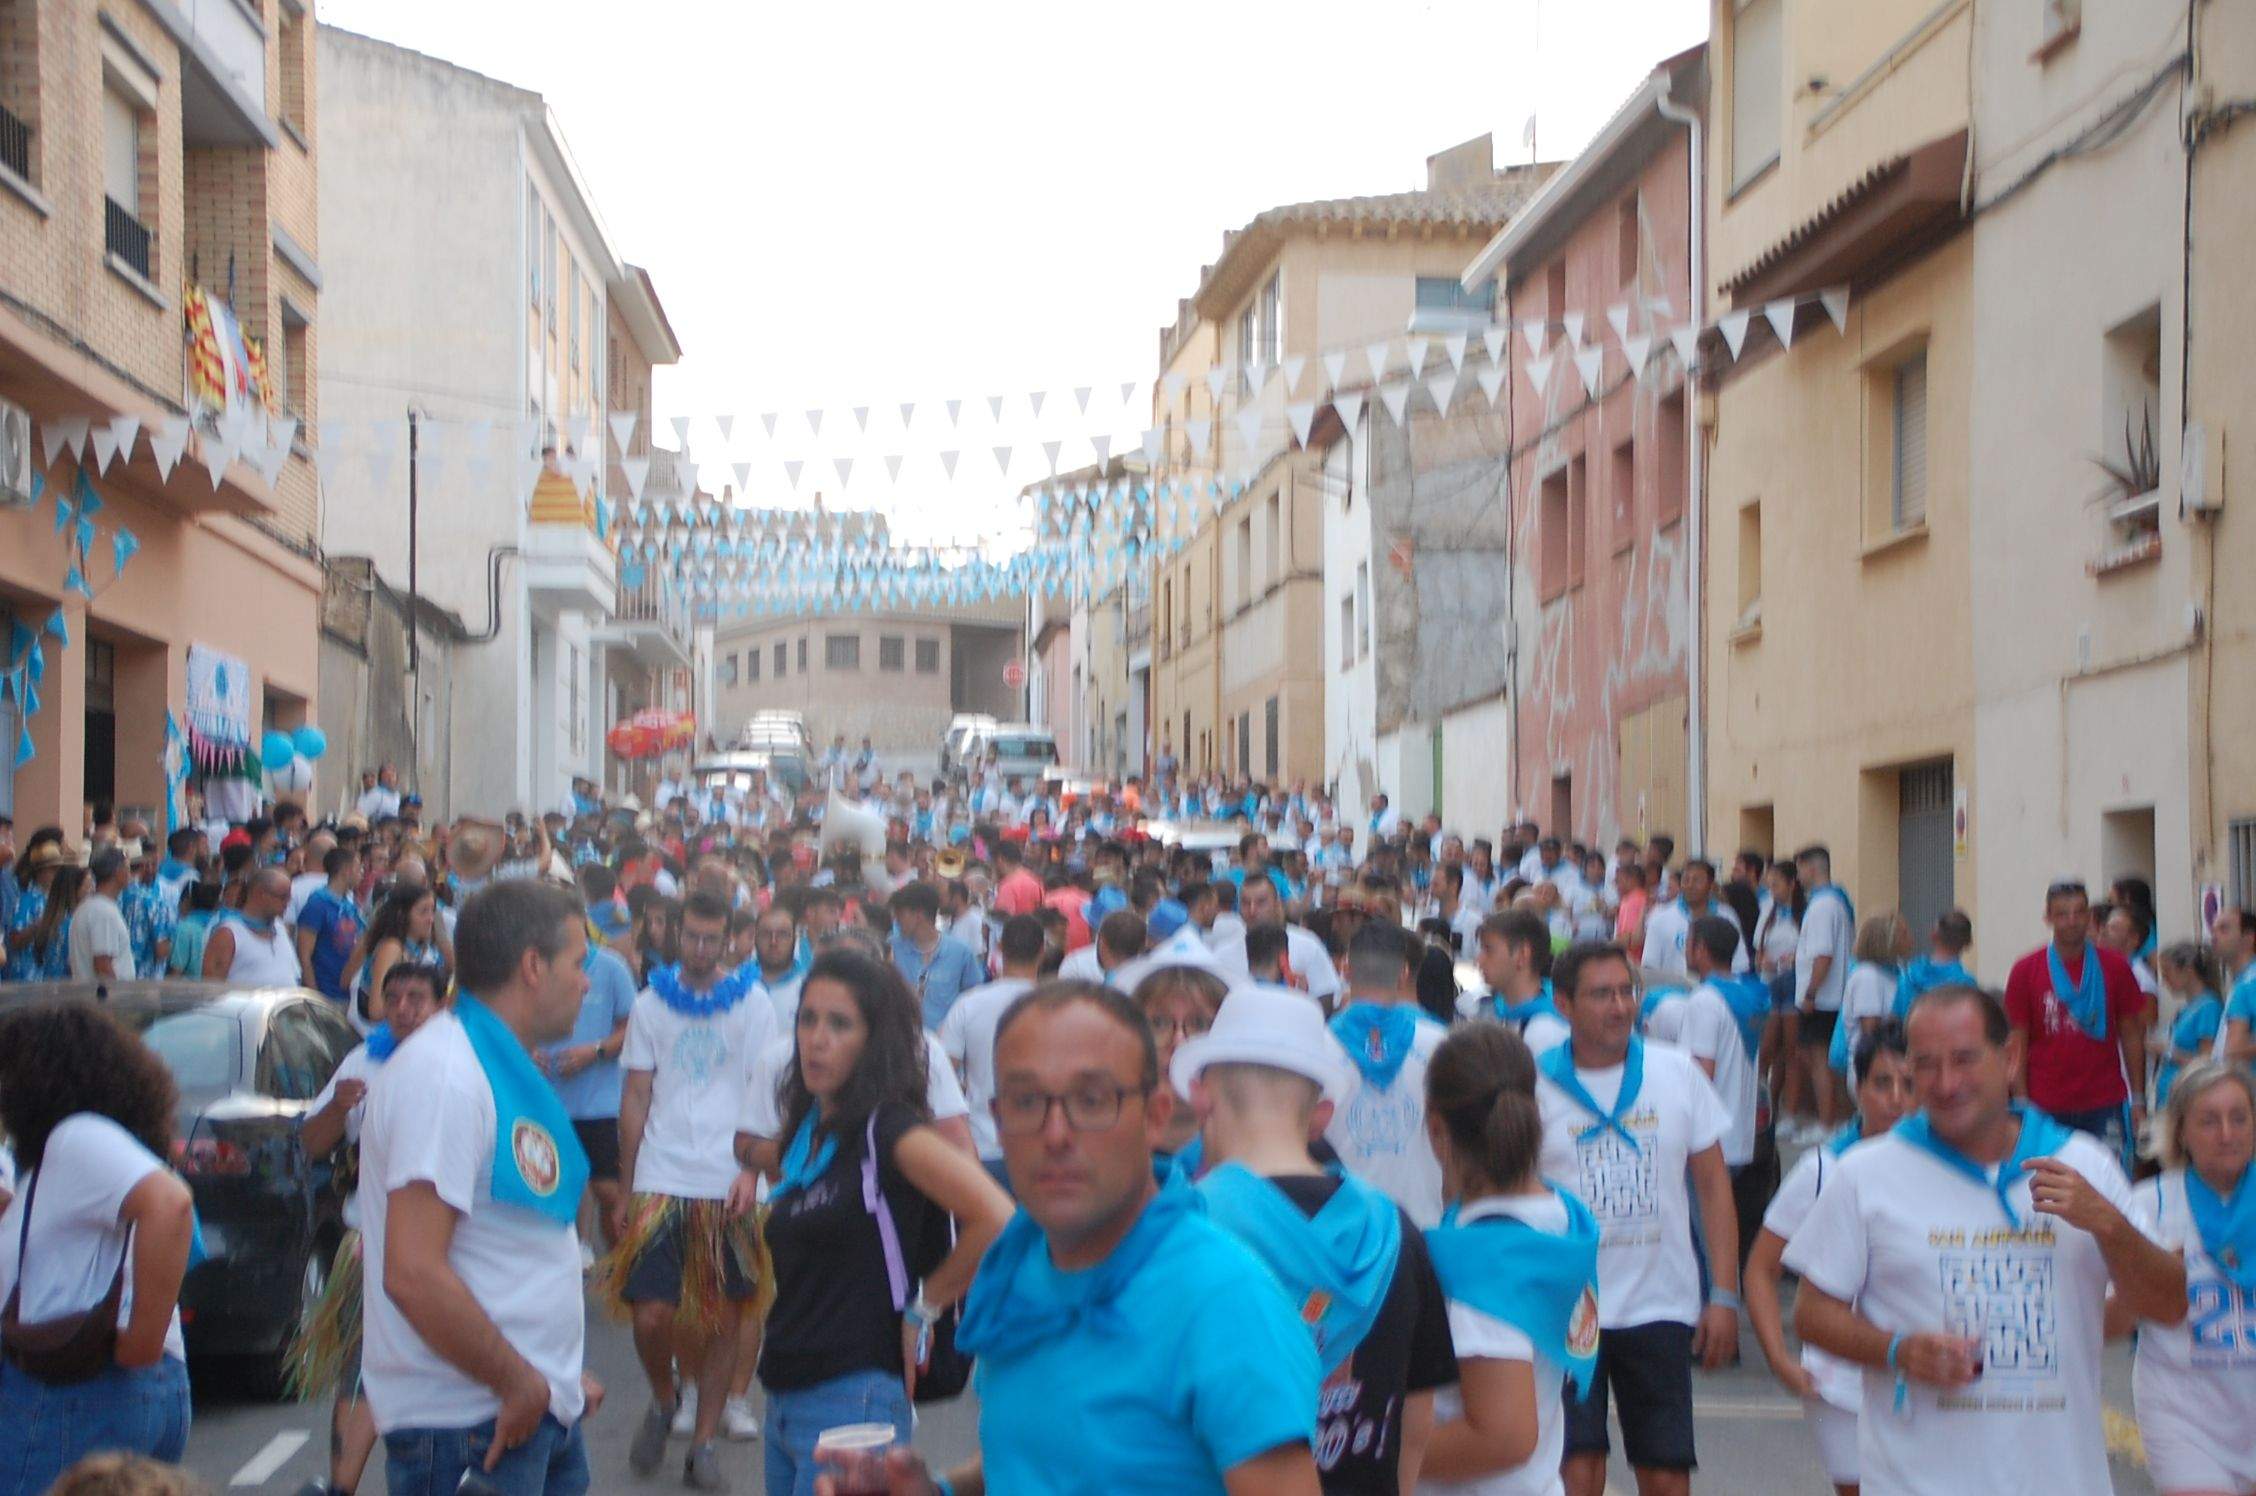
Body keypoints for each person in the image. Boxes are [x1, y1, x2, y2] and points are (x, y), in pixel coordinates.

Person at [823, 981, 1323, 1496]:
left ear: (1154, 1115)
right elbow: (1034, 1457)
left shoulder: (1226, 1302)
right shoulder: (1017, 1270)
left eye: (1092, 1099)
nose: (1056, 1132)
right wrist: (934, 1491)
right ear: (997, 1121)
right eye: (1026, 1100)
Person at [1786, 985, 2184, 1496]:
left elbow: (2170, 1304)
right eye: (1927, 1064)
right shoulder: (1866, 1173)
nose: (1947, 1083)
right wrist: (1898, 1350)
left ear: (2011, 1056)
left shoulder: (2084, 1164)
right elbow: (1811, 1314)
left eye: (1965, 1059)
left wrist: (2110, 1227)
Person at [357, 880, 600, 1496]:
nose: (587, 982)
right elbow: (412, 1272)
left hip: (526, 1411)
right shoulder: (445, 1075)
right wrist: (519, 1380)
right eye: (579, 963)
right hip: (469, 1424)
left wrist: (556, 1374)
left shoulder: (490, 1063)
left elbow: (505, 1247)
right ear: (533, 967)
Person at [1176, 986, 1456, 1495]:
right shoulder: (1396, 1232)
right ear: (1321, 1114)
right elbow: (1415, 1422)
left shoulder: (1179, 1234)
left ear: (1200, 1095)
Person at [754, 951, 1010, 1496]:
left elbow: (995, 1215)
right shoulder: (813, 1131)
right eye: (808, 1018)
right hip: (784, 1393)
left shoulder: (890, 1129)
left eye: (840, 1023)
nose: (817, 1038)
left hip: (854, 1396)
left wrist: (926, 1304)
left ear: (875, 1040)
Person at [1536, 941, 1739, 1496]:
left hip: (1660, 1304)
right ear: (1563, 1004)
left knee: (1666, 1473)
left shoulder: (1675, 1072)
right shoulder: (1532, 1086)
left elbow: (1714, 1187)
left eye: (1627, 991)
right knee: (1577, 1469)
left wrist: (1723, 1294)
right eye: (1601, 994)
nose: (1620, 1006)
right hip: (1569, 1308)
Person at [600, 891, 776, 1484]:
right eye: (692, 937)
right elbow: (635, 1095)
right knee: (652, 1314)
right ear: (675, 936)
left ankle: (703, 1445)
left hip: (727, 1180)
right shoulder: (651, 1004)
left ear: (729, 939)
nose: (701, 949)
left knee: (724, 1318)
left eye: (712, 938)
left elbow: (765, 1090)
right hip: (662, 1174)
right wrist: (626, 1190)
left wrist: (752, 1171)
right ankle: (662, 1397)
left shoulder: (752, 1004)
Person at [0, 1002, 196, 1494]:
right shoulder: (72, 1149)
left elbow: (170, 1205)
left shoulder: (77, 1136)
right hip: (91, 1390)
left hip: (76, 1391)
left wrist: (141, 1341)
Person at [1418, 1021, 1605, 1496]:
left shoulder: (1482, 1264)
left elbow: (1502, 1438)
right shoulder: (1561, 1220)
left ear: (1436, 1128)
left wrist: (1368, 1454)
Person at [290, 962, 451, 1496]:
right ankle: (342, 1487)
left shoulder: (461, 1065)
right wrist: (337, 1107)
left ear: (441, 1003)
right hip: (372, 1243)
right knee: (361, 1368)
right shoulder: (363, 1060)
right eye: (395, 998)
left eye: (417, 998)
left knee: (446, 1370)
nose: (404, 1008)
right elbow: (312, 1142)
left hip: (445, 1249)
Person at [1745, 1020, 1914, 1496]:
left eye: (1910, 1085)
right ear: (1858, 1089)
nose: (1897, 1099)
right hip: (1838, 1382)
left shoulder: (1941, 1170)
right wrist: (1779, 1359)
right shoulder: (1823, 1169)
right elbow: (1761, 1267)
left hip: (1918, 1374)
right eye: (1882, 1083)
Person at [2127, 1063, 2256, 1496]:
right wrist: (2150, 1276)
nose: (2226, 1133)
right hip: (2184, 1416)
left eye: (2239, 1118)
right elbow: (2107, 1322)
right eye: (2209, 1120)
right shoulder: (2149, 1205)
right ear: (2180, 1131)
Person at [2002, 880, 2148, 1158]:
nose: (2072, 921)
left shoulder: (2115, 967)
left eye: (2079, 912)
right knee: (2046, 1189)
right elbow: (2017, 1041)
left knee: (2107, 1186)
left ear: (2090, 916)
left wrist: (2137, 1099)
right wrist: (2021, 1103)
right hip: (2045, 1104)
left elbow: (2131, 1034)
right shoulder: (2026, 970)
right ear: (2048, 918)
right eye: (2062, 913)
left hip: (2104, 1101)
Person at [1327, 922, 1449, 1228]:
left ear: (1345, 969)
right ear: (1405, 973)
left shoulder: (1315, 1044)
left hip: (1344, 1226)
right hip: (1422, 1224)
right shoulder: (1441, 1044)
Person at [1677, 916, 1773, 1269]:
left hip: (1709, 1139)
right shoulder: (1751, 996)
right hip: (1739, 1134)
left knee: (1703, 1242)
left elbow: (1700, 1073)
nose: (1685, 949)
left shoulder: (1705, 1001)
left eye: (1688, 941)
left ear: (1700, 948)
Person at [537, 930, 639, 1254]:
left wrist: (593, 1052)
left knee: (607, 1189)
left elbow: (633, 1027)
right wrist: (526, 1048)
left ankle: (624, 1261)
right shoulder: (535, 963)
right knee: (548, 1188)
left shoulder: (612, 968)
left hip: (599, 1105)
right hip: (548, 1102)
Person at [937, 914, 1047, 1181]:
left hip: (982, 1145)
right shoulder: (1058, 1006)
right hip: (1041, 1146)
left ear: (1000, 949)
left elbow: (941, 1073)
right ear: (1042, 952)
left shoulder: (969, 1004)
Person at [1790, 847, 1855, 1137]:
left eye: (1800, 868)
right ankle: (1836, 1119)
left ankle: (1826, 1123)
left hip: (1823, 999)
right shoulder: (1837, 902)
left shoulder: (1821, 906)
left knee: (1820, 1062)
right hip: (1832, 996)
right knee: (1823, 1061)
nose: (1798, 875)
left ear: (1811, 869)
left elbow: (1823, 954)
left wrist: (1811, 993)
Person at [1216, 877, 1344, 1008]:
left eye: (1261, 902)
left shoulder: (1308, 945)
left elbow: (1326, 993)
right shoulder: (1222, 955)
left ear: (1277, 904)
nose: (1252, 910)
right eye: (1245, 903)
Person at [348, 886, 448, 1034]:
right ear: (403, 915)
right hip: (375, 1034)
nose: (431, 919)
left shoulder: (420, 947)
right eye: (423, 912)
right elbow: (375, 1010)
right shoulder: (391, 948)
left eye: (432, 911)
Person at [886, 882, 985, 1031]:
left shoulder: (960, 952)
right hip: (901, 1038)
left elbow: (974, 998)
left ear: (918, 915)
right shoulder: (891, 948)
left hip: (944, 1044)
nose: (896, 920)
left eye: (900, 914)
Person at [1466, 912, 1567, 1058]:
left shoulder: (1555, 1028)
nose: (1479, 960)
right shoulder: (1480, 1006)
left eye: (1488, 950)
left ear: (1522, 955)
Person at [1636, 858, 1747, 984]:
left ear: (1711, 886)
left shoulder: (1727, 916)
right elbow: (1650, 968)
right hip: (1674, 996)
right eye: (1686, 880)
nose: (1690, 885)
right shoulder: (1660, 917)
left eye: (1697, 880)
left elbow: (1740, 964)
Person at [1828, 912, 1910, 1076]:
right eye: (1904, 934)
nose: (1910, 939)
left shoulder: (1897, 971)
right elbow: (1870, 1030)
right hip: (1874, 1066)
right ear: (1887, 939)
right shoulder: (1868, 976)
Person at [2151, 942, 2224, 1108]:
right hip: (2170, 1097)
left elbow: (2208, 1060)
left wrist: (2168, 1050)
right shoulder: (2185, 1009)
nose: (2164, 981)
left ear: (2187, 971)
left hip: (2189, 1098)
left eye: (2167, 973)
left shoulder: (2208, 1007)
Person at [201, 868, 302, 987]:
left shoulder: (280, 928)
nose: (288, 902)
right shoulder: (228, 934)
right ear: (260, 894)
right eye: (283, 897)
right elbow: (211, 987)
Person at [295, 846, 367, 1008]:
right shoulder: (317, 904)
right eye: (358, 868)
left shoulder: (349, 904)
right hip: (327, 995)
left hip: (348, 993)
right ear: (346, 871)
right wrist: (315, 999)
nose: (362, 873)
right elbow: (304, 955)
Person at [1891, 908, 1975, 1020]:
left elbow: (1895, 1014)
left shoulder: (1909, 974)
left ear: (1933, 935)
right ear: (1967, 942)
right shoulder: (1966, 984)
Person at [66, 849, 135, 982]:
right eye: (127, 868)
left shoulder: (92, 907)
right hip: (105, 1000)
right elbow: (103, 966)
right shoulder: (103, 912)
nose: (129, 874)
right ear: (118, 871)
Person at [118, 844, 177, 980]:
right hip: (146, 982)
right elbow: (162, 950)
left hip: (116, 977)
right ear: (145, 866)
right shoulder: (153, 901)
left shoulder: (113, 896)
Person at [2213, 906, 2256, 1065]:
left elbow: (2233, 1051)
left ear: (2248, 938)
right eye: (2214, 930)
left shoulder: (2248, 984)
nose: (2215, 936)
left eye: (2224, 929)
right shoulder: (2242, 982)